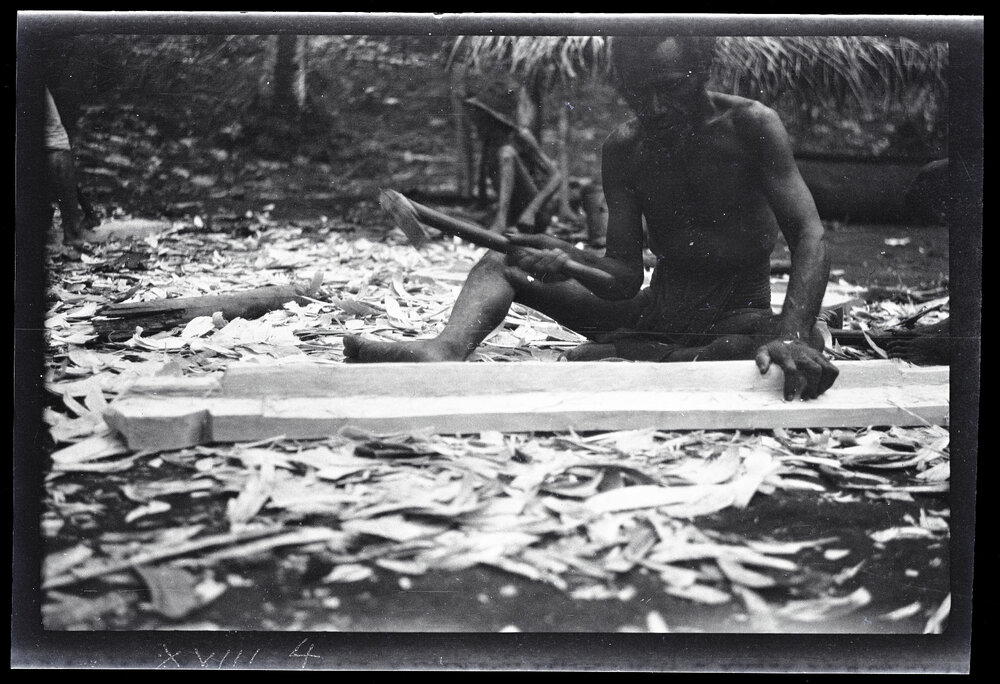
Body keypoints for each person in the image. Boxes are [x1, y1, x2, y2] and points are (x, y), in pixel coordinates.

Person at [346, 36, 839, 402]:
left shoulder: (751, 125)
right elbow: (623, 279)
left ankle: (638, 353)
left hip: (738, 315)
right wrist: (568, 264)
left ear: (703, 69)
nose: (655, 107)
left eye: (670, 89)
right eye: (637, 94)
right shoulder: (626, 148)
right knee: (502, 262)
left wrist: (791, 335)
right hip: (653, 311)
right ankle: (446, 348)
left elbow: (809, 235)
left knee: (800, 339)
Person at [44, 86, 97, 249]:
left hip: (55, 148)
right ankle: (89, 216)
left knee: (66, 196)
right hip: (52, 149)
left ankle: (75, 241)